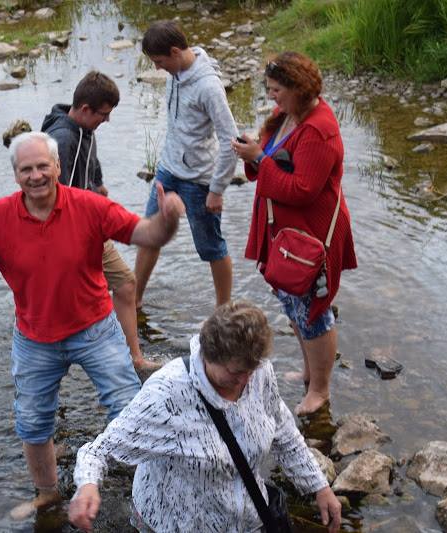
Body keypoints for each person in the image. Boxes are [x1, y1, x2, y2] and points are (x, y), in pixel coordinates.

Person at [0, 132, 185, 516]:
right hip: (35, 338)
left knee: (132, 409)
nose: (35, 176)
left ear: (57, 167)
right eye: (26, 169)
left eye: (43, 166)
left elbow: (145, 234)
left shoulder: (89, 206)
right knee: (32, 422)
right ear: (16, 175)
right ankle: (47, 495)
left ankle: (150, 487)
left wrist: (167, 220)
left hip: (95, 328)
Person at [68, 301, 342, 532]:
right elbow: (98, 451)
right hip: (174, 524)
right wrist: (88, 486)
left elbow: (282, 429)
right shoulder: (167, 394)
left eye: (251, 369)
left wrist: (318, 486)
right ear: (208, 356)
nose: (245, 380)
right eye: (235, 373)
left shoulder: (257, 371)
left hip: (244, 519)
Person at [232, 51, 357, 416]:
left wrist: (258, 159)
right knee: (294, 304)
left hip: (310, 236)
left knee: (314, 310)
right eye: (269, 89)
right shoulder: (287, 115)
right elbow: (271, 158)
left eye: (276, 90)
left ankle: (320, 389)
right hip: (285, 233)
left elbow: (303, 189)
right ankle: (309, 370)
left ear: (297, 89)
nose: (271, 97)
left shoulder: (318, 129)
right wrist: (254, 153)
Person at [41, 71, 160, 372]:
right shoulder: (64, 139)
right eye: (103, 115)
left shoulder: (83, 131)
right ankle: (50, 363)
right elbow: (58, 195)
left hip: (88, 226)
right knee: (77, 304)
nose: (106, 121)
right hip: (70, 234)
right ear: (84, 109)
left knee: (124, 284)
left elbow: (91, 174)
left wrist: (98, 188)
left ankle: (133, 358)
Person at [135, 20, 239, 309]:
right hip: (168, 171)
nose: (157, 68)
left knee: (211, 248)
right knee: (148, 235)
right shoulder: (175, 72)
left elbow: (231, 139)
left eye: (159, 61)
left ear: (175, 51)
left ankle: (223, 309)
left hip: (199, 180)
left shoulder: (209, 87)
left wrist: (217, 189)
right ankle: (135, 299)